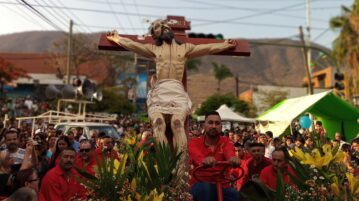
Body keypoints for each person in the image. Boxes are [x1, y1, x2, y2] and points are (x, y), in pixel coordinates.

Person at [106, 19, 236, 162]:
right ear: (156, 35)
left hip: (176, 90)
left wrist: (224, 45)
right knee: (158, 123)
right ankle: (165, 164)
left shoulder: (185, 48)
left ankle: (180, 167)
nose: (163, 29)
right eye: (158, 28)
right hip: (160, 90)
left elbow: (208, 48)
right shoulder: (154, 49)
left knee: (177, 123)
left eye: (165, 27)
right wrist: (117, 38)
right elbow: (133, 45)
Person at [189, 111, 240, 201]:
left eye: (217, 123)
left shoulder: (226, 141)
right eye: (210, 122)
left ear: (221, 127)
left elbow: (229, 153)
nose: (214, 126)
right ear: (204, 126)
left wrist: (233, 159)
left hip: (222, 185)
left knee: (234, 194)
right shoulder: (194, 142)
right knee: (206, 189)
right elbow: (196, 155)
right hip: (200, 184)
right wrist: (203, 160)